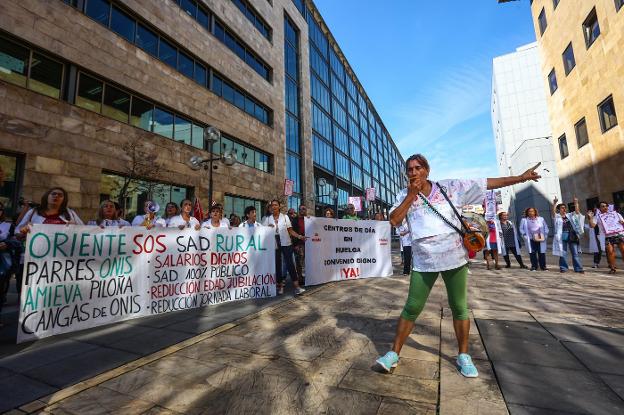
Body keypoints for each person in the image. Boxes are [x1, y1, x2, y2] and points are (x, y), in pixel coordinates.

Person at [375, 153, 542, 378]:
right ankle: (394, 354)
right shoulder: (404, 195)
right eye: (410, 169)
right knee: (412, 307)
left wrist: (520, 178)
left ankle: (463, 355)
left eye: (418, 168)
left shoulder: (450, 187)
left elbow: (486, 183)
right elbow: (394, 220)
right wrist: (411, 196)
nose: (413, 172)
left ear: (427, 170)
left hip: (454, 257)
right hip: (424, 261)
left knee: (459, 307)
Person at [15, 187, 84, 295]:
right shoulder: (34, 212)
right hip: (34, 261)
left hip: (60, 263)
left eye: (60, 195)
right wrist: (24, 230)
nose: (56, 196)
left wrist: (75, 228)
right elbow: (17, 231)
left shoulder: (69, 214)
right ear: (47, 196)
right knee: (28, 292)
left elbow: (85, 232)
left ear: (64, 199)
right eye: (53, 194)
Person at [262, 199, 306, 295]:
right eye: (272, 205)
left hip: (286, 242)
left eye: (276, 205)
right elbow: (261, 233)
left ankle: (297, 287)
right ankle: (280, 286)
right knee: (277, 265)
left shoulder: (285, 217)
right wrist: (267, 229)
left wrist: (299, 236)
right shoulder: (267, 219)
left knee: (290, 264)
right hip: (274, 243)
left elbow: (290, 231)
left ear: (279, 206)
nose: (274, 207)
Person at [588, 202, 624, 274]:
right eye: (603, 206)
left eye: (606, 206)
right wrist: (590, 218)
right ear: (599, 208)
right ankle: (612, 268)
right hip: (607, 236)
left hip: (618, 234)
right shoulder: (598, 217)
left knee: (623, 250)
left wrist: (622, 222)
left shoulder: (616, 214)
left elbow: (623, 222)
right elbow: (592, 226)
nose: (605, 207)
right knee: (610, 252)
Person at [552, 197, 585, 273]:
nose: (564, 209)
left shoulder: (570, 215)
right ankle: (563, 268)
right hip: (562, 236)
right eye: (562, 208)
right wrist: (554, 203)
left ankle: (578, 268)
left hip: (572, 235)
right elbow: (553, 212)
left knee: (575, 253)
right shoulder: (557, 217)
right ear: (558, 209)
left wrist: (576, 203)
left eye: (565, 208)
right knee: (563, 253)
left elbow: (577, 212)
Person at [519, 207, 549, 271]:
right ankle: (534, 266)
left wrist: (545, 234)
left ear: (535, 212)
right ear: (527, 212)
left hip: (540, 237)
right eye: (529, 211)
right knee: (532, 253)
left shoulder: (541, 219)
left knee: (541, 252)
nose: (531, 212)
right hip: (530, 238)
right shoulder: (524, 220)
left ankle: (543, 266)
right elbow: (521, 229)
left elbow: (546, 227)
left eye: (532, 211)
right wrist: (524, 235)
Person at [290, 205, 308, 286]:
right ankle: (300, 278)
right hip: (299, 244)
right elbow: (292, 233)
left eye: (303, 209)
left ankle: (308, 277)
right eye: (300, 209)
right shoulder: (295, 220)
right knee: (299, 263)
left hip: (309, 244)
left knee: (307, 262)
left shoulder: (309, 219)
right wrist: (295, 245)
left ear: (306, 210)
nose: (302, 210)